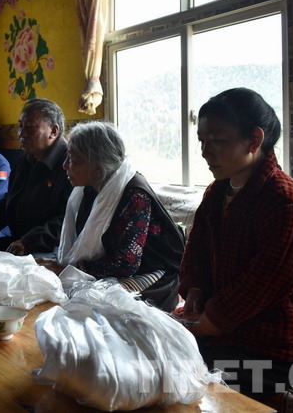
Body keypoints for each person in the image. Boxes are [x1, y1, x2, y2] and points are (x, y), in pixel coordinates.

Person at [176, 87, 293, 400]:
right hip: (227, 331)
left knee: (179, 378)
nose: (205, 152)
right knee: (150, 352)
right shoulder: (217, 192)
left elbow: (267, 280)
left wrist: (213, 319)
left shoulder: (284, 201)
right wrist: (195, 289)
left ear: (255, 140)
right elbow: (196, 250)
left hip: (275, 351)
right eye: (202, 141)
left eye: (217, 141)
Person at [35, 121, 185, 311]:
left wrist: (68, 269)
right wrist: (62, 267)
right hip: (112, 271)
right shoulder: (89, 190)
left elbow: (125, 264)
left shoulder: (135, 195)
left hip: (152, 273)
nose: (65, 166)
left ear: (97, 167)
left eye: (73, 160)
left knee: (93, 305)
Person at [0, 98, 73, 254]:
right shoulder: (26, 160)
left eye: (30, 127)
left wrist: (30, 242)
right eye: (20, 126)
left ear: (53, 131)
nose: (21, 133)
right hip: (20, 243)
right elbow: (8, 203)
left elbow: (68, 219)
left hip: (52, 249)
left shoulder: (70, 163)